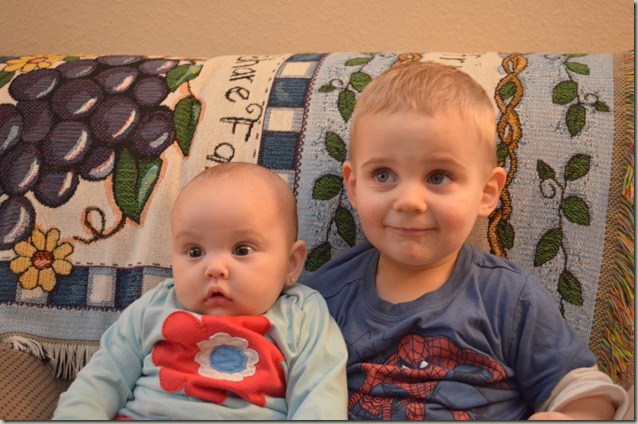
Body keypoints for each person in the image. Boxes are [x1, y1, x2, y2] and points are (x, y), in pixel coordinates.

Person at [303, 61, 628, 420]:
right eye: (383, 175)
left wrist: (574, 416)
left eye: (438, 177)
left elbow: (584, 390)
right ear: (353, 187)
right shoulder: (320, 299)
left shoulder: (509, 297)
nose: (409, 201)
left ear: (487, 193)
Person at [53, 162, 348, 420]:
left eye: (242, 249)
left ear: (291, 263)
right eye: (195, 252)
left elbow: (320, 399)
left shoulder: (303, 315)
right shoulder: (154, 307)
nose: (214, 268)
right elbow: (100, 382)